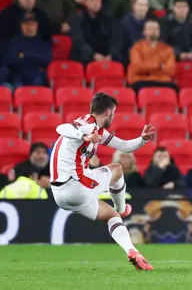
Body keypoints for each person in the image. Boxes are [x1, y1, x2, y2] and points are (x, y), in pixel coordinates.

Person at [50, 92, 155, 269]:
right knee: (117, 169)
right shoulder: (86, 125)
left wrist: (142, 140)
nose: (113, 117)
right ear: (107, 112)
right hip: (75, 184)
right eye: (113, 113)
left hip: (60, 195)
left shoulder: (98, 131)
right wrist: (83, 137)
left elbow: (124, 147)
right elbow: (61, 128)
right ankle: (122, 209)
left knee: (111, 216)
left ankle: (132, 251)